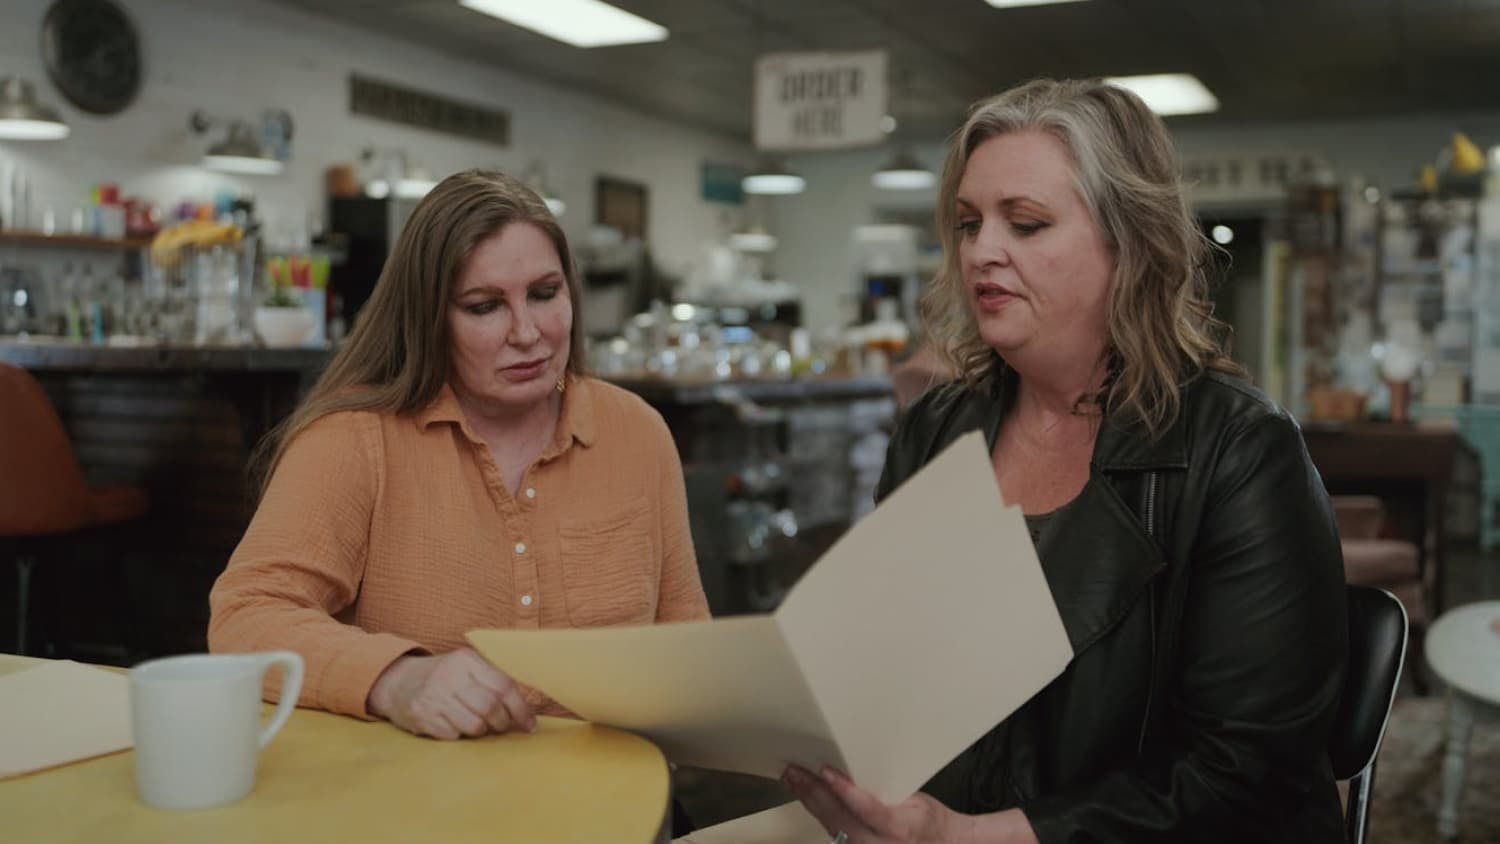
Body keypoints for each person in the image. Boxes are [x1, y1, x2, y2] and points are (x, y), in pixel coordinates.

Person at [783, 79, 1348, 843]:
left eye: (1026, 223)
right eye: (968, 222)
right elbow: (888, 670)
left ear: (1131, 242)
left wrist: (964, 836)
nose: (983, 251)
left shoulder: (1241, 451)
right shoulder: (936, 428)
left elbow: (1245, 776)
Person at [209, 169, 709, 741]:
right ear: (428, 320)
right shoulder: (354, 438)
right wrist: (397, 680)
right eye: (483, 306)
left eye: (545, 294)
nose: (527, 332)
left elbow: (687, 642)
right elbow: (245, 616)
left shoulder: (637, 433)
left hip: (624, 804)